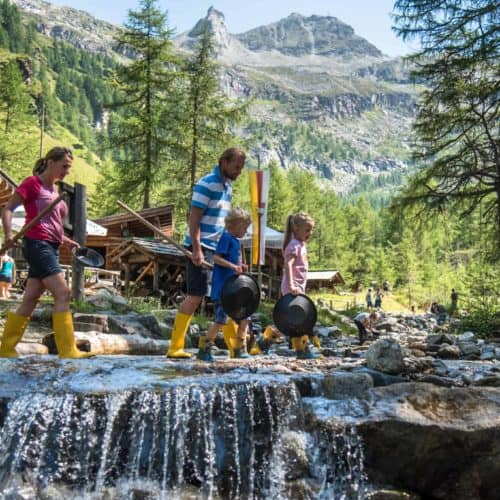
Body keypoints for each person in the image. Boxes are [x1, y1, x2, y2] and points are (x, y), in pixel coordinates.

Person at [0, 147, 93, 358]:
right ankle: (68, 350)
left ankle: (5, 348)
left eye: (69, 167)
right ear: (51, 162)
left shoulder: (55, 193)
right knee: (63, 293)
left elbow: (53, 227)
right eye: (65, 166)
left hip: (51, 246)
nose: (67, 171)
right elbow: (7, 209)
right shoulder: (32, 184)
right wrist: (7, 235)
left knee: (31, 298)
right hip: (37, 245)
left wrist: (67, 241)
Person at [166, 147, 246, 358]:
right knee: (196, 295)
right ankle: (175, 347)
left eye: (241, 168)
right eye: (237, 167)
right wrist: (197, 248)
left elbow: (223, 223)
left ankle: (233, 349)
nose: (239, 171)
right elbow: (194, 219)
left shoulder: (227, 187)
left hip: (218, 248)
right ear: (224, 162)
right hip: (200, 247)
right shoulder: (206, 184)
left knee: (224, 297)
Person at [197, 208, 252, 362]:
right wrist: (233, 267)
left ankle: (239, 347)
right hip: (223, 290)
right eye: (244, 228)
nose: (245, 231)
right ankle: (204, 347)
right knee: (221, 320)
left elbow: (233, 261)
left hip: (234, 289)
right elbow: (216, 258)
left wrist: (240, 267)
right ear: (233, 226)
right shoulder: (226, 237)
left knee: (245, 317)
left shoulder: (235, 241)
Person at [281, 211, 319, 360]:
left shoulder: (302, 244)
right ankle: (303, 349)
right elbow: (288, 265)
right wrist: (291, 284)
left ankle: (299, 350)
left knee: (295, 320)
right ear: (296, 229)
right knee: (299, 319)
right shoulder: (293, 245)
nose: (310, 233)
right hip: (292, 287)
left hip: (298, 288)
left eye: (311, 230)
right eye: (307, 230)